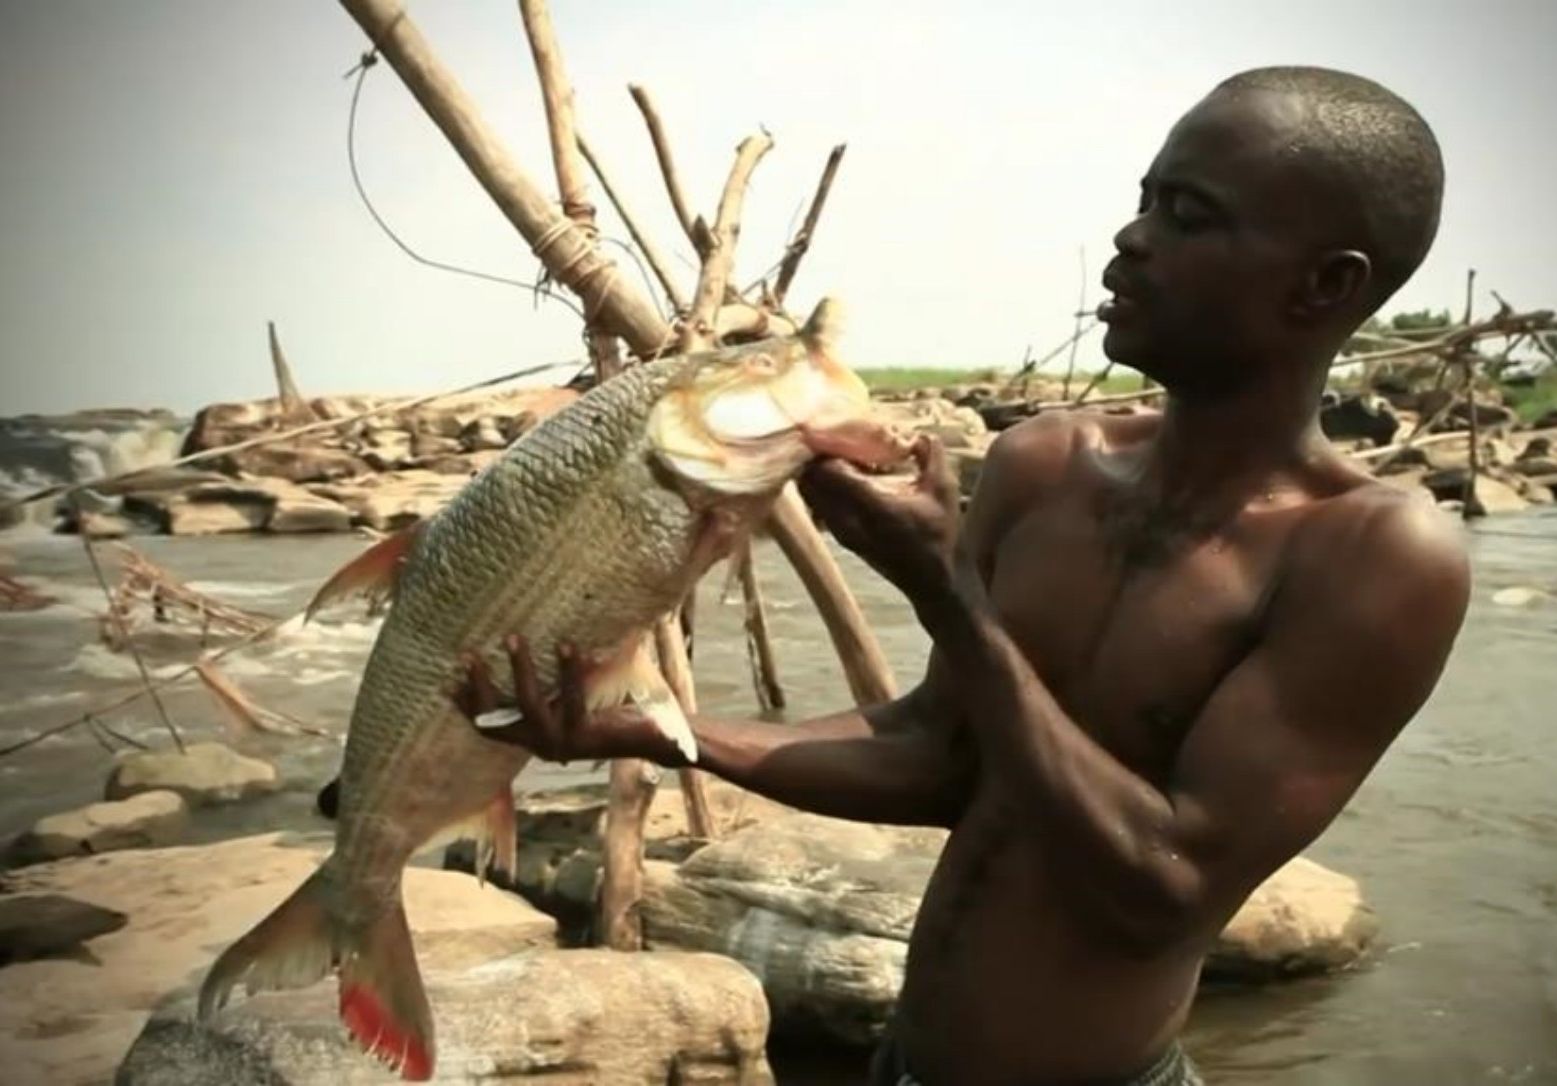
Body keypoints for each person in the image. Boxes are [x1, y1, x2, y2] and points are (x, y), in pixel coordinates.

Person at [456, 66, 1470, 1086]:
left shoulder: (1374, 555)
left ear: (1326, 284)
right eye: (1145, 200)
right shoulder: (1047, 463)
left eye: (1190, 216)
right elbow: (939, 754)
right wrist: (663, 728)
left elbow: (1166, 884)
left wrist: (947, 596)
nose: (1132, 240)